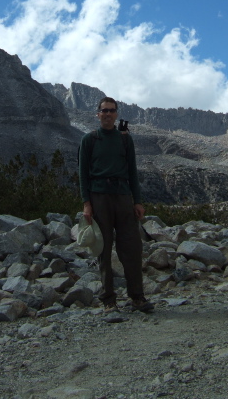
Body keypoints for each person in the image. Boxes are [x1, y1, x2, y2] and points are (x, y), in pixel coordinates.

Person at [79, 96, 154, 313]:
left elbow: (132, 171)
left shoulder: (125, 140)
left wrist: (137, 201)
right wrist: (86, 203)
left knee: (131, 247)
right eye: (104, 111)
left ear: (117, 114)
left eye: (112, 110)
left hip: (122, 197)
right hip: (99, 197)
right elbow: (83, 174)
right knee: (103, 248)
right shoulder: (89, 140)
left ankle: (137, 297)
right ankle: (108, 300)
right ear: (98, 114)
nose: (108, 114)